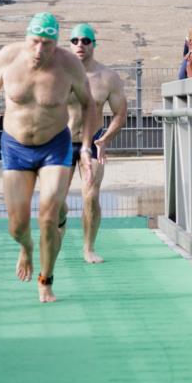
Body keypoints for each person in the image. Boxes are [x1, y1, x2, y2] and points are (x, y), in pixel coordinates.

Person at [0, 12, 97, 303]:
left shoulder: (69, 65)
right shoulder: (8, 57)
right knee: (17, 226)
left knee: (49, 216)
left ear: (56, 43)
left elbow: (90, 105)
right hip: (15, 147)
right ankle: (26, 248)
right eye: (35, 42)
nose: (40, 50)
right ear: (27, 38)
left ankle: (46, 280)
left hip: (54, 145)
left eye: (47, 44)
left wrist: (87, 147)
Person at [64, 23, 127, 263]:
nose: (80, 44)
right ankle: (57, 236)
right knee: (58, 202)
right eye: (75, 40)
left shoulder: (108, 78)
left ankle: (88, 248)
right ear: (70, 44)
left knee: (90, 196)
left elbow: (121, 113)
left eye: (86, 40)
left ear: (94, 44)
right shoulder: (59, 74)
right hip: (62, 142)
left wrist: (105, 138)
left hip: (93, 143)